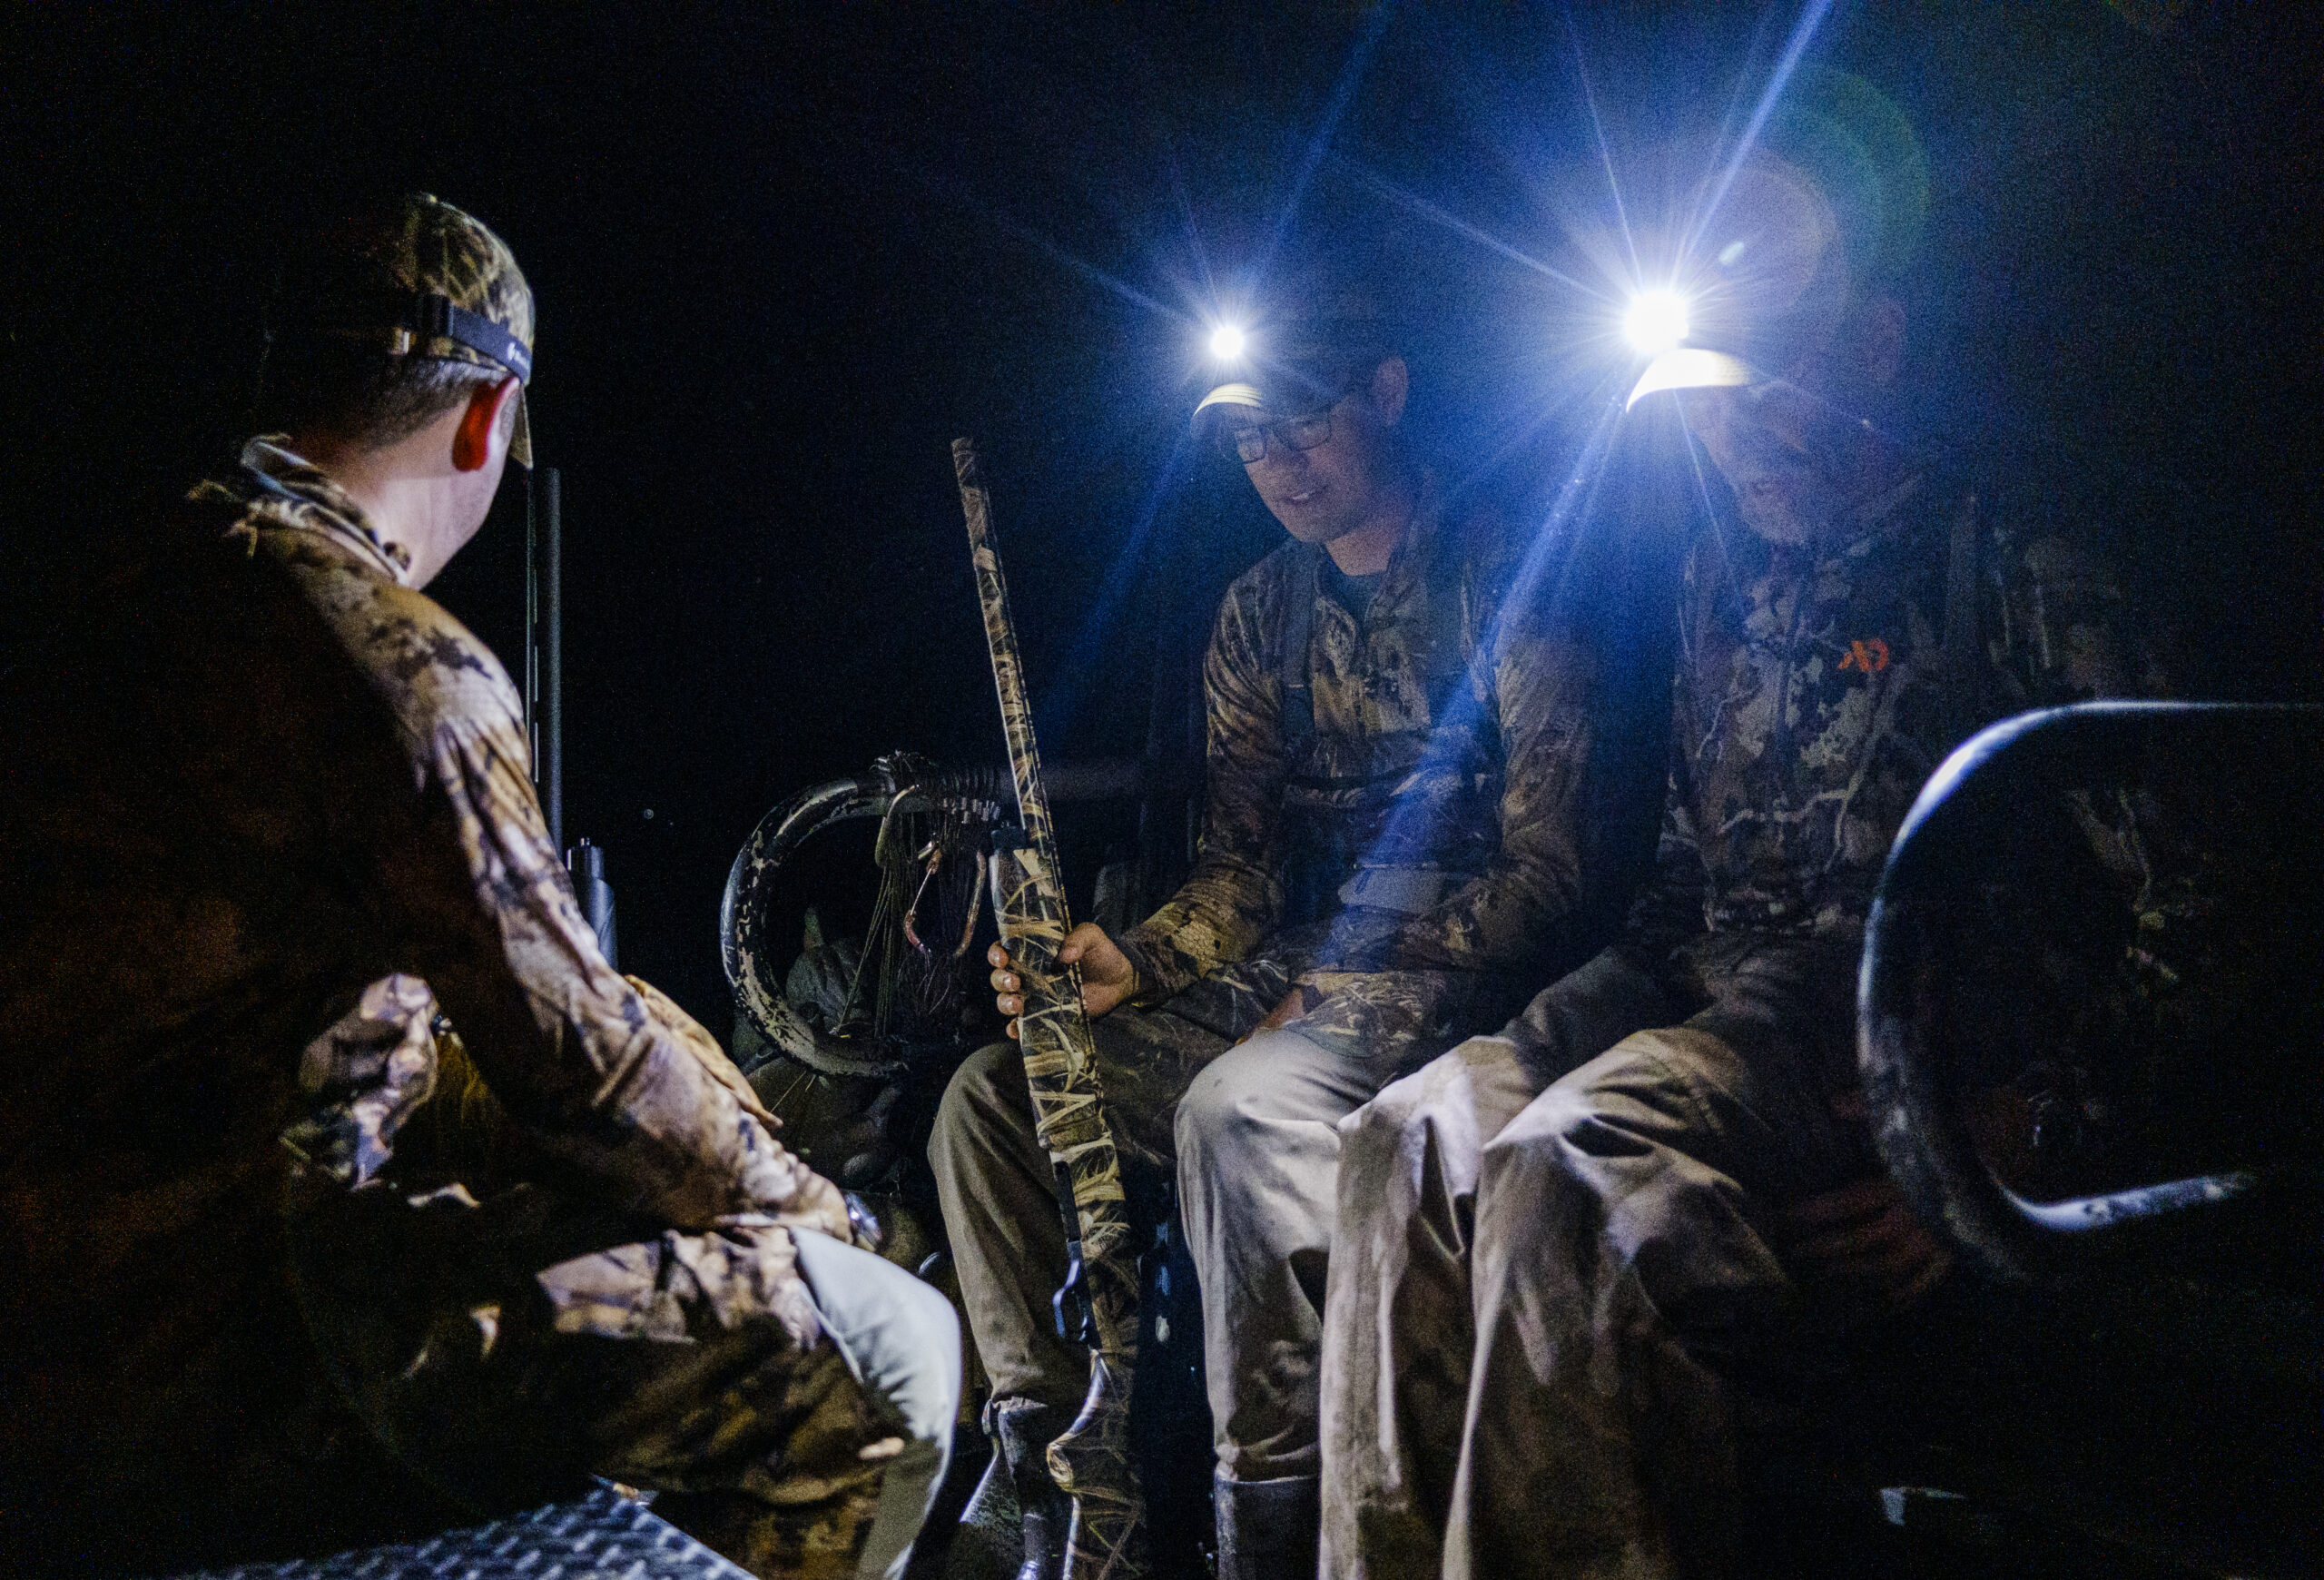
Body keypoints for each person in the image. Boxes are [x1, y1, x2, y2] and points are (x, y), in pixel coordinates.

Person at [0, 193, 958, 1580]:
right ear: (484, 418)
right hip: (230, 1365)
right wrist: (828, 1221)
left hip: (61, 1313)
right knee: (885, 1347)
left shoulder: (96, 586)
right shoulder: (387, 655)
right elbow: (582, 1070)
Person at [1318, 125, 2168, 1578]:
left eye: (1771, 386)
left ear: (1880, 348)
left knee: (1568, 1171)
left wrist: (2020, 1138)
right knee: (1403, 1140)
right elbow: (1682, 883)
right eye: (1710, 404)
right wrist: (1550, 1014)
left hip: (1890, 1036)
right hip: (1720, 1001)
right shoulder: (1730, 570)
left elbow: (2225, 908)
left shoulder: (2010, 559)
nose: (1736, 435)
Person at [930, 272, 1600, 1577]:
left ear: (1386, 395)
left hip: (1465, 975)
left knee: (1234, 1110)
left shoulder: (1509, 571)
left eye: (1303, 424)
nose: (1277, 462)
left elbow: (1551, 873)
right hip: (1297, 971)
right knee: (993, 1102)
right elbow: (1242, 873)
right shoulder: (1257, 613)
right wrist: (1140, 958)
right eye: (1248, 438)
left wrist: (1340, 987)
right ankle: (1061, 1468)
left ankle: (1270, 1518)